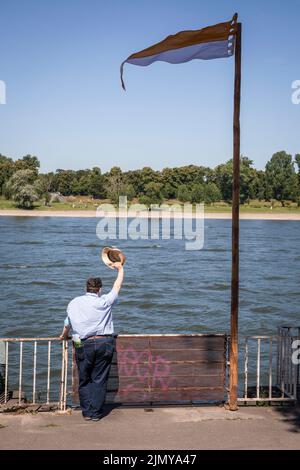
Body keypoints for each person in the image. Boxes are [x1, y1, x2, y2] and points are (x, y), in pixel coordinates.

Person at [59, 262, 124, 421]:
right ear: (100, 289)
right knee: (99, 379)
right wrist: (120, 269)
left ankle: (86, 412)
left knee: (84, 377)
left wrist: (63, 336)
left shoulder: (74, 302)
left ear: (86, 289)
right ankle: (96, 413)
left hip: (82, 343)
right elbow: (117, 286)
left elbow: (68, 323)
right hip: (104, 342)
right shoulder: (105, 301)